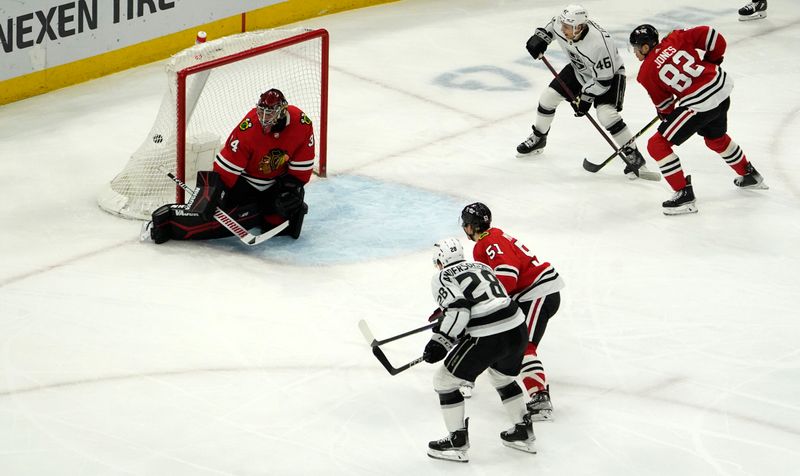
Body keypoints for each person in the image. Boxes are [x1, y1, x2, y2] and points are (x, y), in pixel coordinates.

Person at [629, 24, 768, 216]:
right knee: (715, 138)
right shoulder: (675, 37)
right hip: (721, 86)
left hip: (701, 103)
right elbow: (713, 37)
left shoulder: (645, 73)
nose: (635, 52)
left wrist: (667, 114)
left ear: (645, 47)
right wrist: (712, 61)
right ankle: (749, 174)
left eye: (636, 48)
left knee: (657, 144)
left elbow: (666, 106)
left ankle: (684, 195)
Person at [148, 88, 315, 243]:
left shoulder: (302, 124)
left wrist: (290, 192)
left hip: (275, 184)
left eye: (270, 114)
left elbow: (300, 173)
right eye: (262, 112)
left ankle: (265, 212)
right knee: (212, 216)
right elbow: (224, 171)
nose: (264, 119)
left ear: (283, 111)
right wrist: (210, 196)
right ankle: (168, 224)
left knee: (284, 213)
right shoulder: (248, 129)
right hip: (245, 184)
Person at [424, 238, 536, 462]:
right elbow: (488, 299)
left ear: (439, 260)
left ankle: (457, 442)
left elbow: (460, 309)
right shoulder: (482, 266)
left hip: (489, 334)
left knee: (444, 382)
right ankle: (523, 432)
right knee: (501, 376)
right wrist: (449, 322)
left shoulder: (441, 276)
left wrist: (440, 340)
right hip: (516, 326)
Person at [460, 203, 565, 421]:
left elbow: (508, 276)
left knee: (524, 345)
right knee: (507, 341)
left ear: (471, 226)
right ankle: (469, 375)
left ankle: (540, 399)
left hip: (538, 292)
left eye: (466, 224)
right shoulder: (492, 237)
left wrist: (486, 305)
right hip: (527, 294)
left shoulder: (487, 242)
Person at [520, 4, 651, 179]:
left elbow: (603, 81)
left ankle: (634, 155)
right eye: (564, 25)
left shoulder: (599, 45)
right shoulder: (563, 24)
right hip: (579, 69)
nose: (563, 29)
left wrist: (585, 97)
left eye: (568, 27)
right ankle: (539, 138)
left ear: (580, 27)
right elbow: (551, 27)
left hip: (609, 76)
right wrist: (540, 38)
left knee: (606, 115)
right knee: (548, 98)